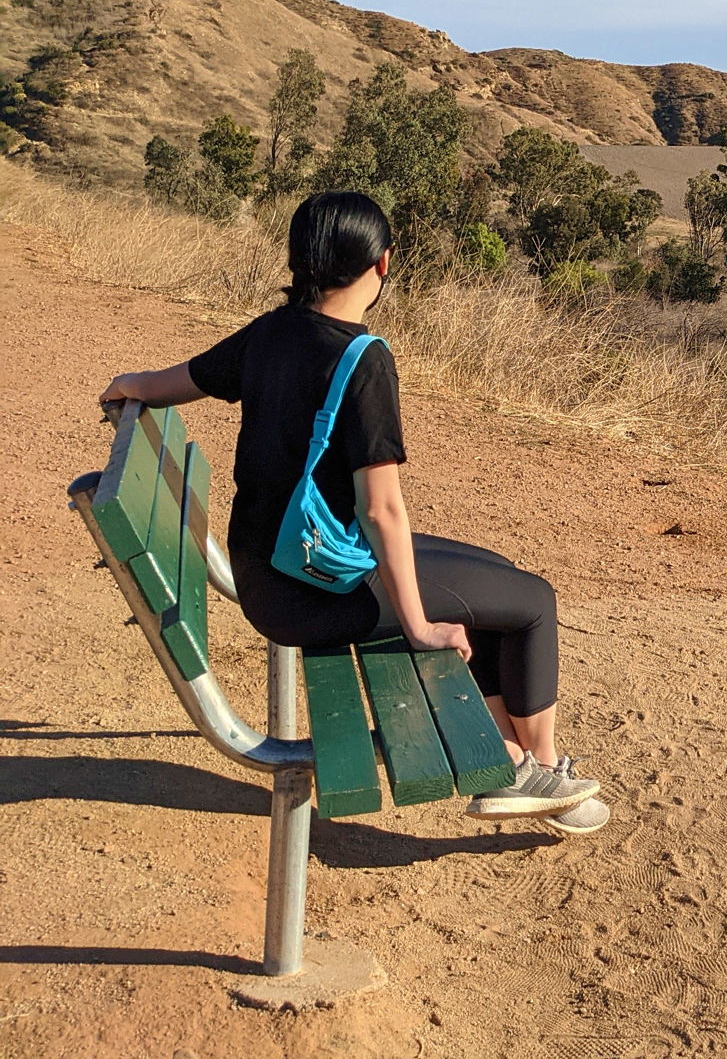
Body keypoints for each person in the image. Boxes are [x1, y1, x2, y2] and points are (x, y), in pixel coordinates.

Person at [99, 191, 608, 834]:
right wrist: (420, 627)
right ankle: (532, 766)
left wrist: (130, 386)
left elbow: (180, 380)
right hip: (316, 590)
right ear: (383, 264)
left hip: (272, 569)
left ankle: (518, 766)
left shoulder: (272, 331)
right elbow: (382, 509)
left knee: (497, 576)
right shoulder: (361, 359)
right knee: (533, 601)